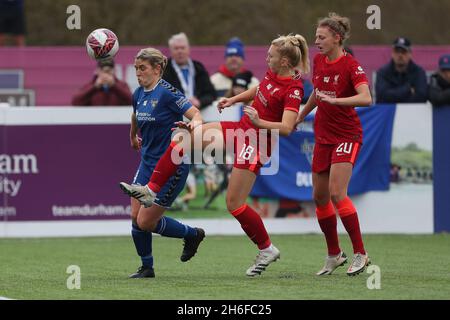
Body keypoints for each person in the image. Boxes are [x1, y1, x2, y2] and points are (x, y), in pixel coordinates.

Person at [120, 34, 310, 276]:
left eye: (270, 55)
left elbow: (286, 128)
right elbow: (261, 89)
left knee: (234, 204)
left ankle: (267, 249)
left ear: (284, 61)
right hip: (242, 131)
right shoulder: (274, 73)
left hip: (257, 141)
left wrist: (259, 121)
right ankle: (151, 190)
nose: (266, 58)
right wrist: (234, 99)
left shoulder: (294, 88)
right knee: (183, 138)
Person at [296, 12, 372, 276]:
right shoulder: (318, 60)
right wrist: (302, 115)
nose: (316, 41)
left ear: (336, 38)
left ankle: (361, 253)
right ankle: (334, 255)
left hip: (347, 135)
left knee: (338, 193)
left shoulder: (351, 66)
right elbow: (317, 94)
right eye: (316, 36)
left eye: (321, 37)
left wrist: (337, 101)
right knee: (319, 196)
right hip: (323, 137)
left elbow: (366, 98)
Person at [120, 48, 205, 278]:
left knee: (146, 222)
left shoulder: (168, 93)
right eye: (136, 68)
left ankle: (192, 234)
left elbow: (196, 114)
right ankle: (147, 267)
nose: (138, 73)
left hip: (172, 167)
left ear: (157, 69)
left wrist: (193, 127)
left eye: (143, 68)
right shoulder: (138, 93)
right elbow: (136, 114)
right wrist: (132, 135)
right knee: (135, 218)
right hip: (147, 164)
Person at [162, 32, 216, 110]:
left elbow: (211, 94)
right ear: (170, 50)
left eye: (183, 48)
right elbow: (162, 95)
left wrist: (199, 102)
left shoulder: (198, 68)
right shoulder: (164, 70)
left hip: (199, 113)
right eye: (176, 48)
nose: (180, 51)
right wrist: (181, 102)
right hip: (173, 114)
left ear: (188, 49)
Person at [375, 37, 428, 103]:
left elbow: (422, 97)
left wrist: (393, 94)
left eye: (403, 52)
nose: (400, 55)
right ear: (392, 53)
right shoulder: (382, 72)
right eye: (397, 51)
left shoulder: (419, 72)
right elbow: (382, 96)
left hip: (413, 112)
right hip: (389, 112)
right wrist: (407, 89)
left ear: (410, 54)